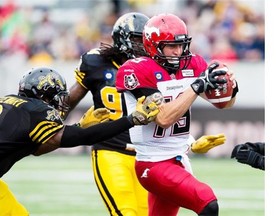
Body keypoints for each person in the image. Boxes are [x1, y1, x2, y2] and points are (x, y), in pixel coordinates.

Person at [115, 13, 239, 216]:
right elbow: (163, 119)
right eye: (171, 46)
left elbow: (224, 104)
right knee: (207, 201)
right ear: (153, 45)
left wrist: (229, 86)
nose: (178, 51)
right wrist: (197, 85)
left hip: (179, 158)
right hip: (153, 163)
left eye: (181, 45)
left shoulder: (191, 64)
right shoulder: (137, 69)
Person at [0, 67, 159, 215]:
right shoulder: (35, 111)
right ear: (45, 96)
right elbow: (77, 138)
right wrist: (131, 120)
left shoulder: (8, 101)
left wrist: (78, 126)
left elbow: (38, 149)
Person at [67, 12, 150, 216]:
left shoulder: (154, 65)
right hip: (110, 150)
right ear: (123, 38)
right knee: (125, 212)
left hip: (147, 154)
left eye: (145, 40)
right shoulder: (96, 62)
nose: (143, 46)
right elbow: (69, 100)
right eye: (137, 40)